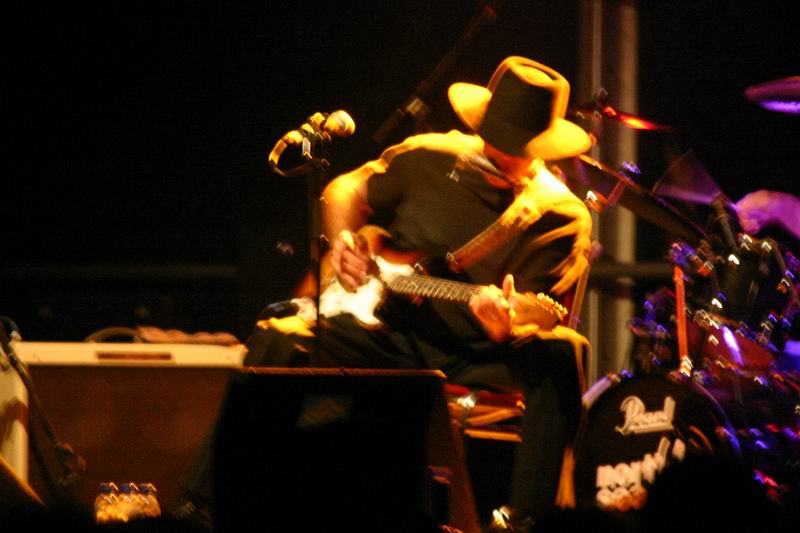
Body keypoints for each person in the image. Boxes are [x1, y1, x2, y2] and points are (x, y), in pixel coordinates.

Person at [177, 56, 594, 532]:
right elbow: (345, 190)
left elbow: (542, 315)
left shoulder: (563, 216)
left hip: (479, 352)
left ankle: (527, 522)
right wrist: (344, 242)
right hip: (391, 331)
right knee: (282, 334)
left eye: (515, 147)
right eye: (494, 138)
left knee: (564, 353)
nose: (501, 153)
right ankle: (202, 505)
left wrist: (507, 324)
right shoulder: (428, 155)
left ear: (541, 146)